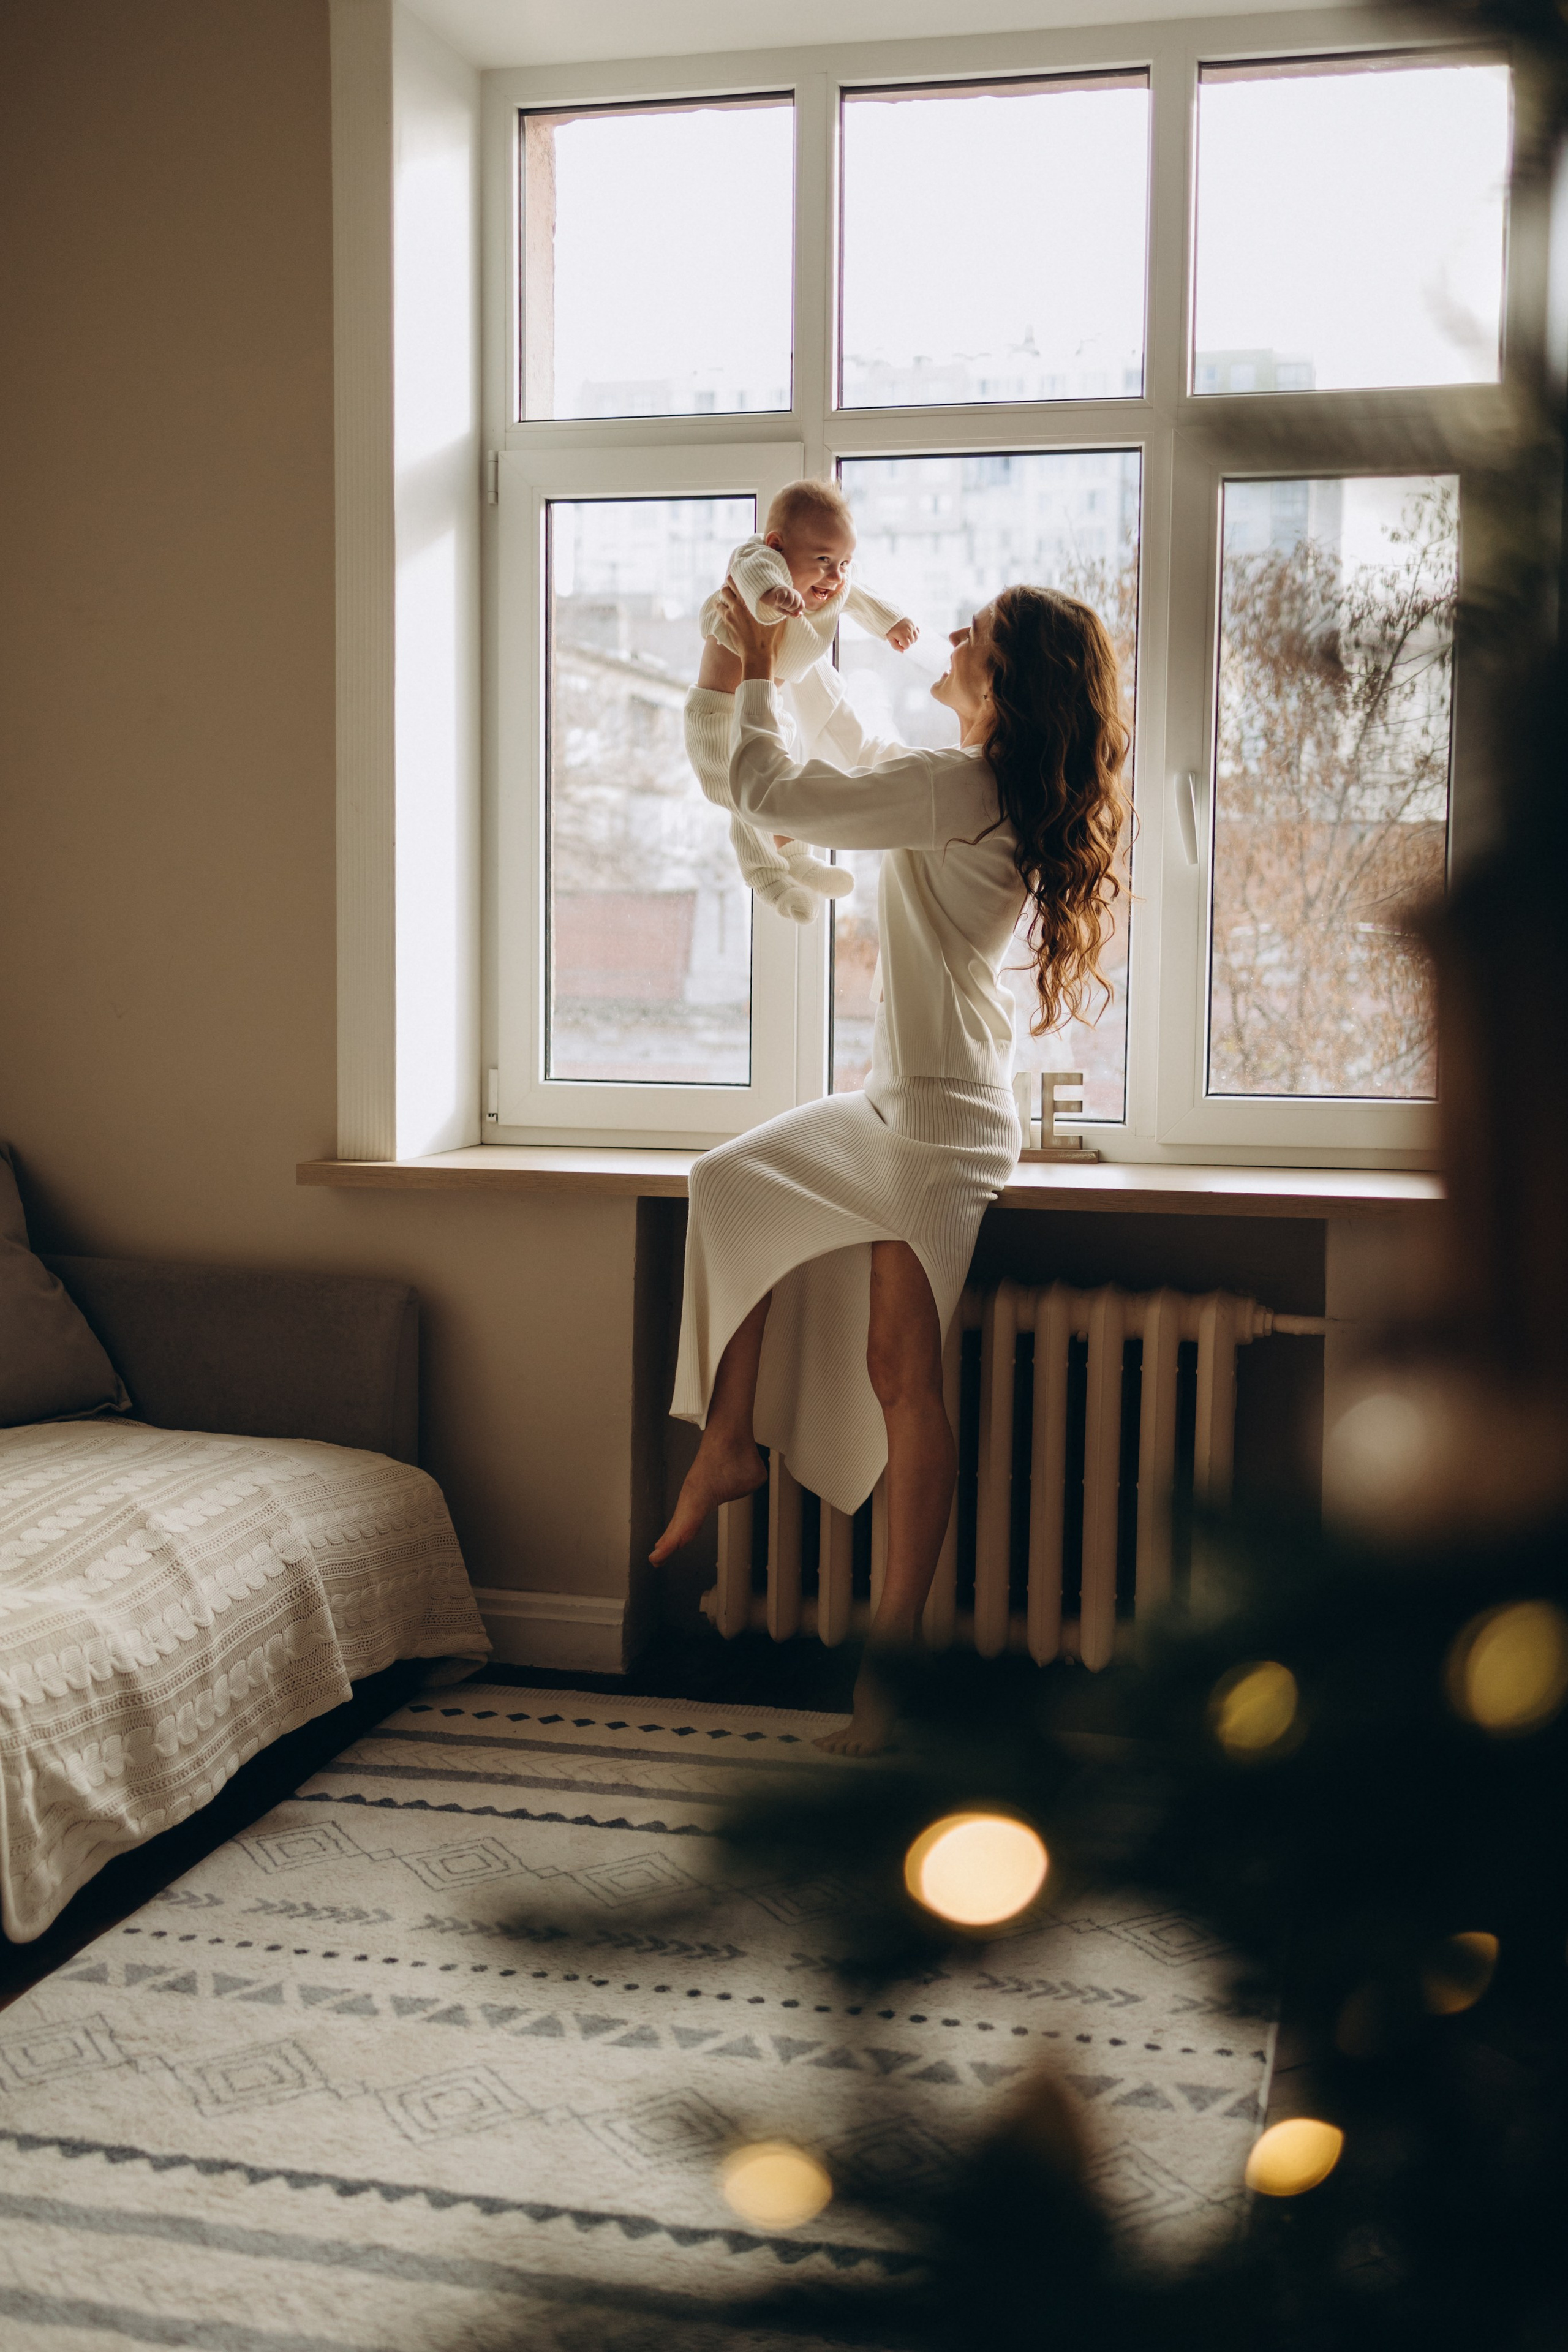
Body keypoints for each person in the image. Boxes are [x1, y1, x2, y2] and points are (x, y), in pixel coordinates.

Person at [652, 578, 1128, 1752]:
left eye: (979, 636)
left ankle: (889, 1673)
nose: (954, 636)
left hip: (942, 1126)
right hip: (898, 1104)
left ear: (1008, 683)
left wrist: (758, 661)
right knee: (730, 1181)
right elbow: (854, 748)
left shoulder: (962, 789)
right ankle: (729, 1443)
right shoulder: (969, 784)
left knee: (902, 1378)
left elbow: (770, 785)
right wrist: (800, 639)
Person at [685, 478, 918, 924]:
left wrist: (892, 622)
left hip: (767, 706)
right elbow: (751, 573)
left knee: (783, 785)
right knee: (745, 799)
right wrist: (773, 595)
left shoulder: (832, 588)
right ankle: (767, 877)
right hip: (717, 715)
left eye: (845, 562)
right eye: (823, 560)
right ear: (778, 546)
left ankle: (796, 855)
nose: (835, 576)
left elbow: (860, 598)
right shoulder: (759, 562)